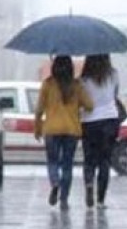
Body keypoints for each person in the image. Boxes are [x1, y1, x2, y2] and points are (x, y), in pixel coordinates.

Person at [34, 55, 94, 210]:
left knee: (52, 162)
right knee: (67, 165)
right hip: (71, 130)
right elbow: (89, 105)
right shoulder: (76, 85)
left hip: (51, 130)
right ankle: (64, 200)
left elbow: (39, 109)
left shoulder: (48, 84)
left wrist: (37, 129)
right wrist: (77, 106)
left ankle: (55, 183)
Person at [80, 54, 121, 209]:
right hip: (110, 119)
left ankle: (89, 183)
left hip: (89, 121)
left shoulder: (83, 80)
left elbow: (81, 102)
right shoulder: (113, 74)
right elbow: (115, 95)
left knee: (89, 160)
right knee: (105, 160)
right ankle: (100, 200)